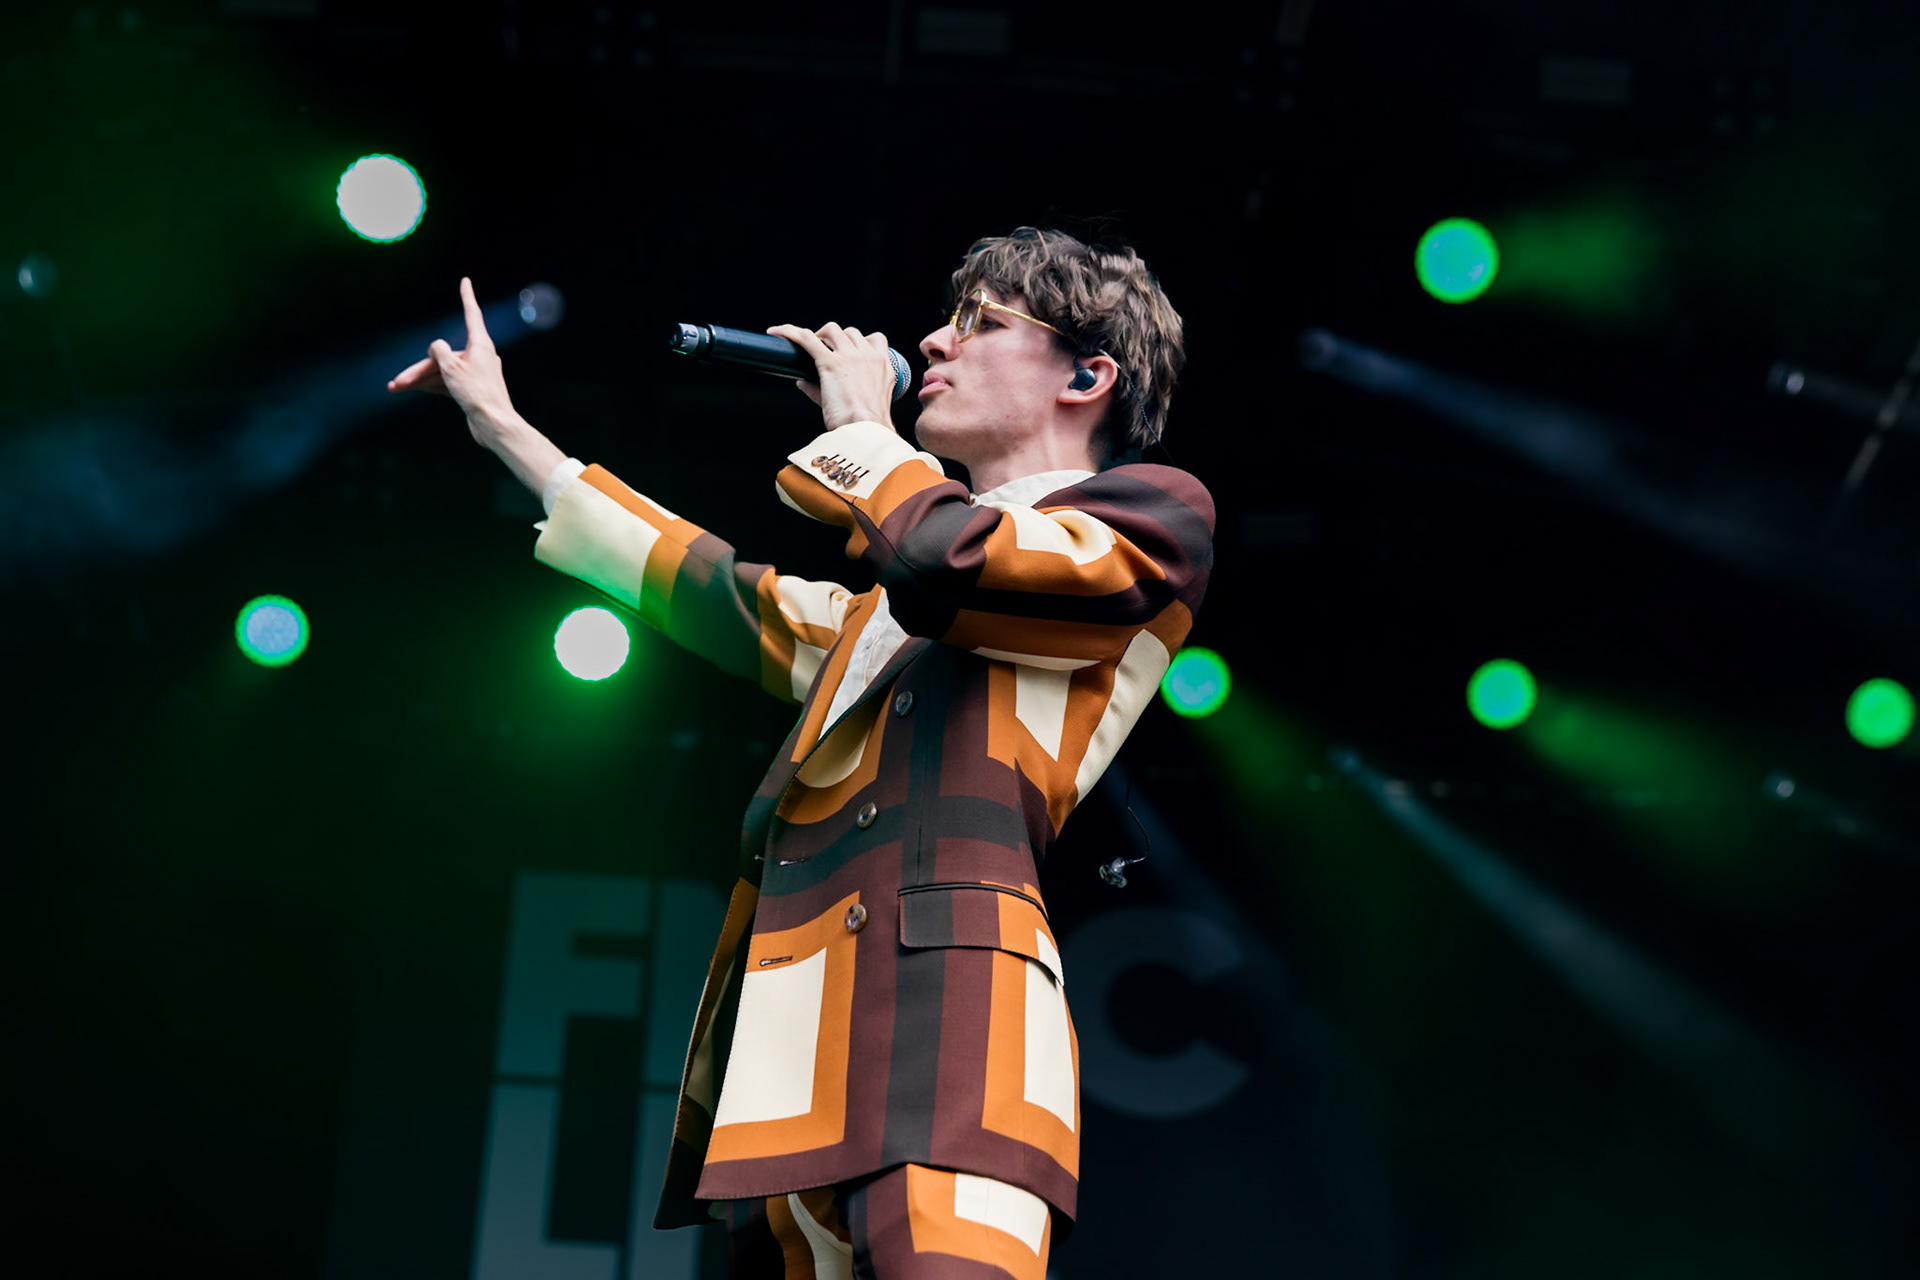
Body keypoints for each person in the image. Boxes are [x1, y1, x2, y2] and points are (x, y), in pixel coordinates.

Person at [389, 227, 1214, 1280]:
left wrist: (865, 429)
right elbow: (725, 596)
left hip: (957, 1035)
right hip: (794, 1056)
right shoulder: (891, 606)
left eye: (980, 322)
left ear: (1087, 376)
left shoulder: (1148, 518)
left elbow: (950, 562)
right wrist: (507, 428)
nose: (935, 342)